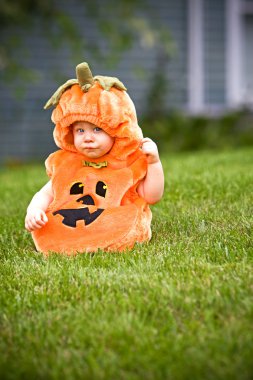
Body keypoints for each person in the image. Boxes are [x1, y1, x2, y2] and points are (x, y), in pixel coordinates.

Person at [25, 62, 164, 254]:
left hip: (115, 224)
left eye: (97, 129)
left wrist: (154, 163)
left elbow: (152, 196)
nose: (88, 137)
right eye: (80, 130)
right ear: (70, 132)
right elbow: (46, 194)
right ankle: (68, 242)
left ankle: (104, 241)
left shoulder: (125, 163)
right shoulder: (67, 164)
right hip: (67, 229)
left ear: (115, 131)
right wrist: (34, 210)